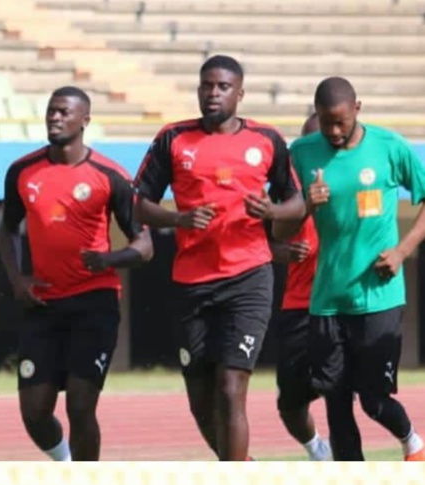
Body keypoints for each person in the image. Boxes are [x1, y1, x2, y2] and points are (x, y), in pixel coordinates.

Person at [134, 55, 304, 461]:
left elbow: (295, 202)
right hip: (192, 282)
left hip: (248, 278)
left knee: (231, 389)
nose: (213, 93)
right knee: (201, 401)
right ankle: (241, 464)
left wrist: (273, 213)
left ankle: (236, 481)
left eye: (223, 87)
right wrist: (179, 217)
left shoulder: (266, 141)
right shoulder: (172, 139)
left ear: (239, 94)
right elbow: (138, 203)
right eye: (206, 86)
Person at [0, 86, 153, 462]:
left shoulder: (110, 176)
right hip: (43, 303)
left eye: (64, 112)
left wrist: (109, 260)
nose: (55, 117)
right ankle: (65, 462)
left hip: (93, 302)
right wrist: (18, 279)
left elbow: (145, 246)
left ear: (84, 120)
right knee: (34, 412)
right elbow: (7, 229)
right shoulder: (22, 171)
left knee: (81, 407)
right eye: (51, 111)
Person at [277, 77, 425, 461]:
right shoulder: (303, 153)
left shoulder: (390, 147)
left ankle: (413, 443)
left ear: (357, 108)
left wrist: (402, 249)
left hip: (380, 296)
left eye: (340, 121)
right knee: (336, 401)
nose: (334, 131)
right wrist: (305, 205)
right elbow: (279, 225)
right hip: (327, 300)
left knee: (374, 400)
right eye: (326, 122)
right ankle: (351, 481)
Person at [271, 113, 333, 461]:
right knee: (290, 404)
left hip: (342, 306)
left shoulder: (352, 179)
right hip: (297, 306)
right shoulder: (285, 190)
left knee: (343, 392)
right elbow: (262, 244)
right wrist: (283, 251)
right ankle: (316, 449)